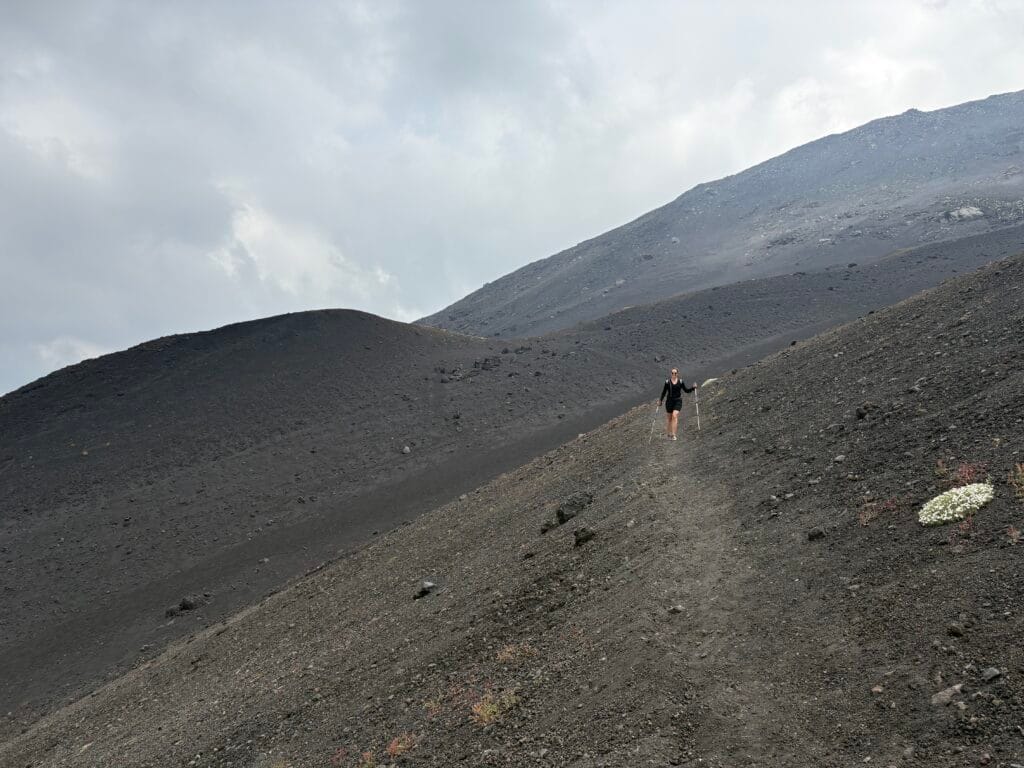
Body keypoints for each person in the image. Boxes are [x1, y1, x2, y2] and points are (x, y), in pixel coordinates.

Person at [657, 368, 696, 441]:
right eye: (672, 373)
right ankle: (668, 434)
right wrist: (660, 401)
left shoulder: (680, 382)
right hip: (669, 402)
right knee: (669, 419)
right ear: (671, 374)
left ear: (677, 374)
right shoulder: (667, 382)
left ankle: (674, 435)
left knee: (674, 415)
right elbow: (664, 392)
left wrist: (693, 388)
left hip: (678, 401)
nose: (674, 374)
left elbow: (686, 390)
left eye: (675, 373)